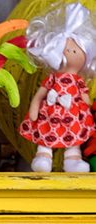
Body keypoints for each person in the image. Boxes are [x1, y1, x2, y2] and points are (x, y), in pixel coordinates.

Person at [19, 1, 96, 172]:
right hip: (50, 113)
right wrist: (34, 109)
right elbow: (40, 95)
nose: (69, 52)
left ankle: (73, 160)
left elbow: (85, 98)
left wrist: (88, 113)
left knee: (74, 138)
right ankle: (43, 157)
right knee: (45, 133)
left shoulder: (79, 81)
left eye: (75, 51)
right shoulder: (52, 78)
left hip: (73, 115)